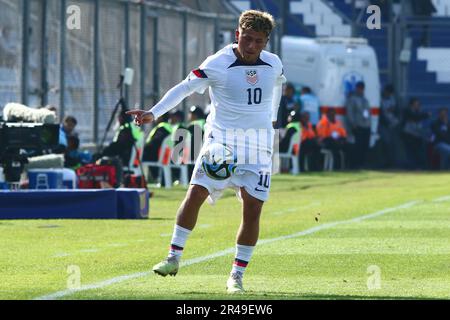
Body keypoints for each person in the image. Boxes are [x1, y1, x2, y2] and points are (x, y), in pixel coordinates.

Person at [127, 10, 285, 294]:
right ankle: (173, 258)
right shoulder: (217, 63)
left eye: (258, 41)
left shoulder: (273, 63)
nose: (251, 46)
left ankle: (236, 277)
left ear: (266, 41)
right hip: (221, 144)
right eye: (246, 39)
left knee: (252, 209)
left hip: (258, 148)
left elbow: (279, 84)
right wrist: (153, 113)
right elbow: (185, 89)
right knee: (196, 192)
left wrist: (272, 120)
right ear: (237, 34)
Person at [345, 81, 371, 169]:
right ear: (356, 88)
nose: (361, 90)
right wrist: (353, 124)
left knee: (365, 146)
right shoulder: (352, 99)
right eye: (359, 88)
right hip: (357, 125)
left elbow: (367, 112)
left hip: (366, 125)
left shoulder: (365, 99)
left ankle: (362, 163)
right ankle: (355, 164)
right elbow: (350, 112)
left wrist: (368, 122)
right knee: (357, 146)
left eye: (362, 88)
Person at [401, 98, 430, 169]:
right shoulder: (407, 111)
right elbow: (415, 118)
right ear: (412, 104)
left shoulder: (418, 111)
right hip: (408, 134)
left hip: (417, 135)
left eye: (418, 104)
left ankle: (417, 166)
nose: (418, 105)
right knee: (410, 152)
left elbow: (419, 122)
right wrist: (425, 115)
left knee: (417, 152)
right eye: (416, 104)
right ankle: (411, 167)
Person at [378, 85, 402, 168]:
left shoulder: (393, 99)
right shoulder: (379, 99)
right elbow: (379, 113)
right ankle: (386, 162)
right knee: (386, 142)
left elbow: (398, 110)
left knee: (393, 144)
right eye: (387, 92)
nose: (388, 94)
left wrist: (394, 111)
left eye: (390, 93)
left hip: (394, 124)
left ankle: (393, 162)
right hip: (384, 124)